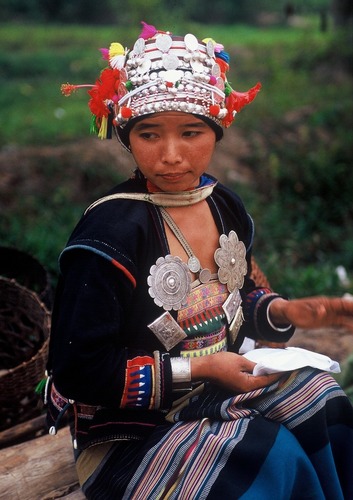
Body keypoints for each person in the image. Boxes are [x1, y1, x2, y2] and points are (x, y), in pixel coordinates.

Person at [44, 22, 353, 499]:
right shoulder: (107, 237)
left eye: (191, 133)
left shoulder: (222, 204)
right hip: (129, 432)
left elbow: (234, 295)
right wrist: (203, 370)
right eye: (149, 135)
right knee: (267, 454)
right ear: (126, 137)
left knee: (323, 401)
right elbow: (78, 369)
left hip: (216, 389)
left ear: (217, 130)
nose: (171, 156)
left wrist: (284, 312)